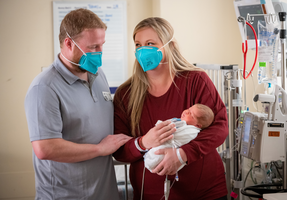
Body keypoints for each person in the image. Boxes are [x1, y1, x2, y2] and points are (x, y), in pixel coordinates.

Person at [113, 17, 228, 200]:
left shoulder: (196, 81)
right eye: (138, 45)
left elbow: (220, 127)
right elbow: (119, 149)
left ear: (170, 46)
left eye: (150, 43)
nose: (142, 50)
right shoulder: (125, 94)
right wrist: (143, 142)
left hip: (204, 193)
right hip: (150, 194)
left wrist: (182, 154)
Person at [24, 8, 131, 199]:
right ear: (68, 43)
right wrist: (100, 149)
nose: (100, 53)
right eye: (93, 47)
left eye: (102, 45)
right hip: (66, 195)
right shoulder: (44, 87)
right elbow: (45, 148)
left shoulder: (98, 75)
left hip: (104, 192)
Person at [144, 104, 215, 172]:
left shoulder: (191, 131)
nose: (186, 112)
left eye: (191, 114)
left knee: (157, 156)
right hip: (160, 145)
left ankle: (151, 161)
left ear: (198, 125)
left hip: (169, 150)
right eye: (189, 109)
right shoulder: (180, 122)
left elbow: (177, 137)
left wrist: (166, 130)